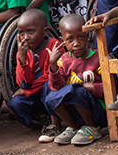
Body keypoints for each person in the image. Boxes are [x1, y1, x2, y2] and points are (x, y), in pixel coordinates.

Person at [44, 14, 105, 147]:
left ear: (87, 36)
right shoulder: (64, 60)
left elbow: (114, 88)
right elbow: (57, 88)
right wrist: (53, 65)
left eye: (81, 37)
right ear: (62, 41)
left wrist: (94, 88)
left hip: (97, 111)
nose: (76, 43)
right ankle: (74, 127)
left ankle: (92, 127)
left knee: (77, 92)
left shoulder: (98, 58)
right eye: (70, 39)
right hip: (75, 112)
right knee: (50, 96)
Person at [8, 9, 60, 142]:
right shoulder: (24, 52)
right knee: (15, 103)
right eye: (21, 33)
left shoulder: (53, 45)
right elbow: (23, 82)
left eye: (31, 31)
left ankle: (56, 125)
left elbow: (50, 76)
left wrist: (27, 90)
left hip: (53, 91)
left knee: (48, 86)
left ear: (45, 31)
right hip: (35, 95)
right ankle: (43, 120)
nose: (25, 37)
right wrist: (22, 59)